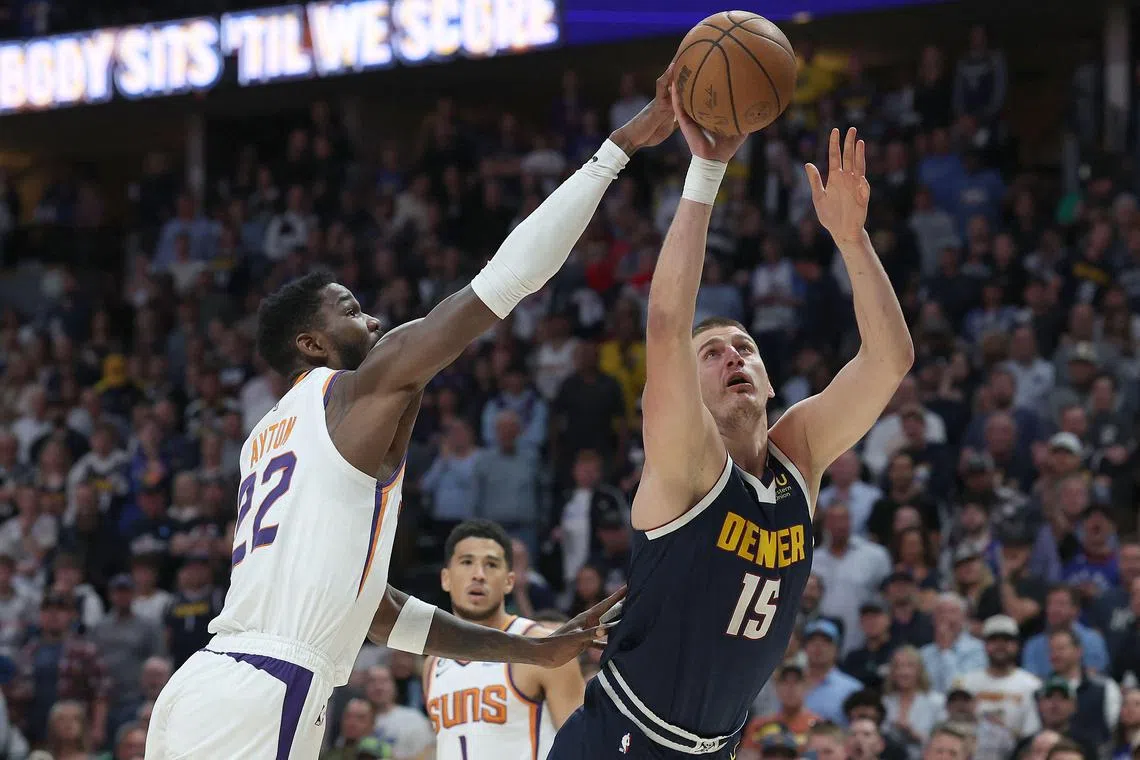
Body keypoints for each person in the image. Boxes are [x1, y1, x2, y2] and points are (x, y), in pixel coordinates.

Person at [144, 64, 679, 759]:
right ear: (310, 343)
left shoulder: (264, 435)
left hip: (206, 685)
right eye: (348, 309)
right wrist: (617, 151)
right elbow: (508, 279)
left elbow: (376, 611)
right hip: (268, 686)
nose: (369, 317)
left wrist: (531, 651)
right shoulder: (355, 389)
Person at [547, 97, 913, 757]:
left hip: (714, 747)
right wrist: (707, 171)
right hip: (621, 740)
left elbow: (890, 361)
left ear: (769, 379)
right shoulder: (688, 463)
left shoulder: (798, 454)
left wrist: (853, 239)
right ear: (686, 388)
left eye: (743, 347)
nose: (732, 358)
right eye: (711, 354)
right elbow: (663, 324)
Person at [424, 521, 587, 759]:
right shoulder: (432, 664)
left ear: (510, 581)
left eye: (491, 565)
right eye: (467, 562)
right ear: (446, 579)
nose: (478, 575)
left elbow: (583, 747)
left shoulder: (544, 648)